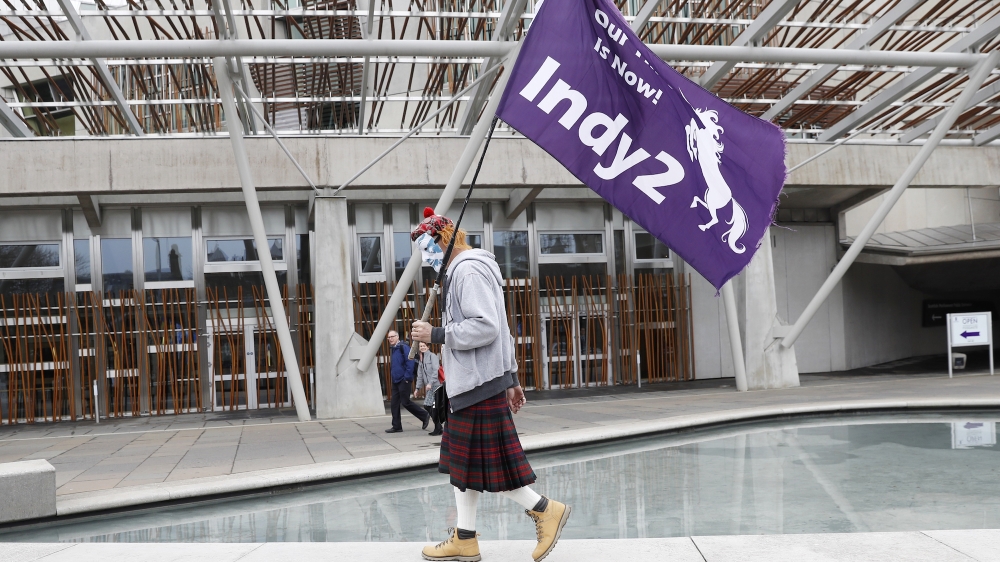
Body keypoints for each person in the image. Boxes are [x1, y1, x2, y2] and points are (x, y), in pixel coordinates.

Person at [410, 209, 571, 562]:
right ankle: (464, 539)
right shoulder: (466, 270)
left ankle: (546, 510)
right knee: (464, 468)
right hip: (476, 383)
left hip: (476, 384)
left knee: (490, 467)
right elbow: (503, 328)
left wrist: (435, 334)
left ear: (443, 240)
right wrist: (511, 378)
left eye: (426, 248)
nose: (425, 258)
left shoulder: (467, 271)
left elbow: (486, 327)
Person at [385, 329, 430, 433]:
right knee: (394, 404)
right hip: (396, 380)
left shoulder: (403, 347)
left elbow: (410, 362)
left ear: (397, 337)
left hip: (403, 380)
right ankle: (397, 426)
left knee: (405, 402)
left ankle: (424, 415)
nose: (390, 339)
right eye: (389, 337)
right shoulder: (394, 349)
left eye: (392, 337)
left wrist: (407, 378)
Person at [415, 341, 443, 436]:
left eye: (424, 346)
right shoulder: (421, 359)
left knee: (429, 406)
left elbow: (436, 370)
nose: (422, 347)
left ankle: (438, 426)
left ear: (428, 347)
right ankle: (438, 426)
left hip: (436, 385)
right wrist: (417, 388)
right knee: (430, 406)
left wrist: (430, 383)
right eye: (420, 346)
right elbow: (420, 375)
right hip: (429, 387)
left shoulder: (432, 356)